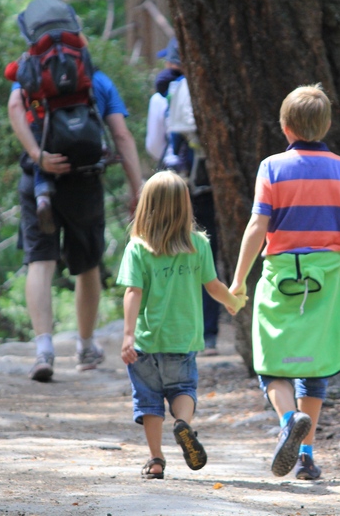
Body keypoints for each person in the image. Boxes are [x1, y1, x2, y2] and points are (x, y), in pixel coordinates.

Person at [229, 84, 340, 480]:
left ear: (285, 127)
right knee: (314, 367)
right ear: (327, 125)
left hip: (281, 274)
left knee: (271, 363)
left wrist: (238, 280)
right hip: (327, 279)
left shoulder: (272, 168)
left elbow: (257, 225)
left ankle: (289, 420)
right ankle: (305, 456)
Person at [7, 0, 144, 382]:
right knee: (86, 266)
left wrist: (37, 154)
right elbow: (121, 135)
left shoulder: (30, 73)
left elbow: (15, 108)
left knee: (40, 261)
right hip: (84, 179)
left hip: (41, 173)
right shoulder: (94, 79)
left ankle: (44, 350)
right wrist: (138, 188)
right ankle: (85, 346)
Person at [116, 171, 245, 480]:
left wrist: (128, 335)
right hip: (182, 339)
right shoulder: (198, 244)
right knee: (183, 389)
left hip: (145, 342)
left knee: (148, 401)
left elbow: (133, 292)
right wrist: (232, 301)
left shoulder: (137, 248)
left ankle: (156, 460)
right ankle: (183, 423)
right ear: (185, 205)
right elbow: (213, 286)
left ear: (146, 206)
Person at [146, 37, 222, 356]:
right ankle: (209, 333)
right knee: (208, 254)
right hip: (208, 184)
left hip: (175, 187)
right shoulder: (212, 90)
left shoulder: (162, 96)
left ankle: (171, 329)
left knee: (169, 252)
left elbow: (154, 144)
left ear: (173, 62)